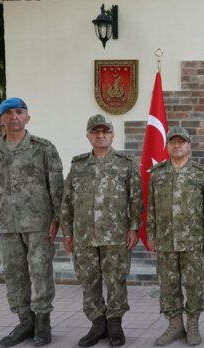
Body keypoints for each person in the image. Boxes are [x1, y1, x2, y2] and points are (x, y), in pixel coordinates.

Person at [0, 97, 64, 347]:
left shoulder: (43, 147)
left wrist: (57, 218)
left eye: (19, 112)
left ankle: (42, 323)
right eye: (8, 113)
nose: (14, 117)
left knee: (40, 274)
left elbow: (56, 186)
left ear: (27, 117)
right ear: (0, 119)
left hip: (39, 223)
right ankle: (24, 322)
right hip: (6, 224)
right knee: (15, 276)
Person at [60, 114, 142, 347]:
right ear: (88, 135)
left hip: (115, 235)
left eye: (105, 131)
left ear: (112, 134)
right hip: (84, 236)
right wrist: (67, 232)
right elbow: (67, 201)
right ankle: (97, 323)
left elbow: (136, 199)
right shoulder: (78, 165)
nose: (101, 135)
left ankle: (115, 324)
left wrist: (134, 228)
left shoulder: (125, 163)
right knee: (88, 281)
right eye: (95, 131)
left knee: (116, 280)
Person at [147, 126, 204, 346]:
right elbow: (151, 208)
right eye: (173, 142)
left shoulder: (200, 173)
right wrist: (151, 234)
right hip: (166, 240)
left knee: (195, 284)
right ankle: (175, 326)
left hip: (193, 241)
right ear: (167, 146)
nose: (177, 145)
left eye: (181, 141)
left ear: (189, 145)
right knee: (168, 285)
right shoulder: (157, 174)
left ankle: (193, 324)